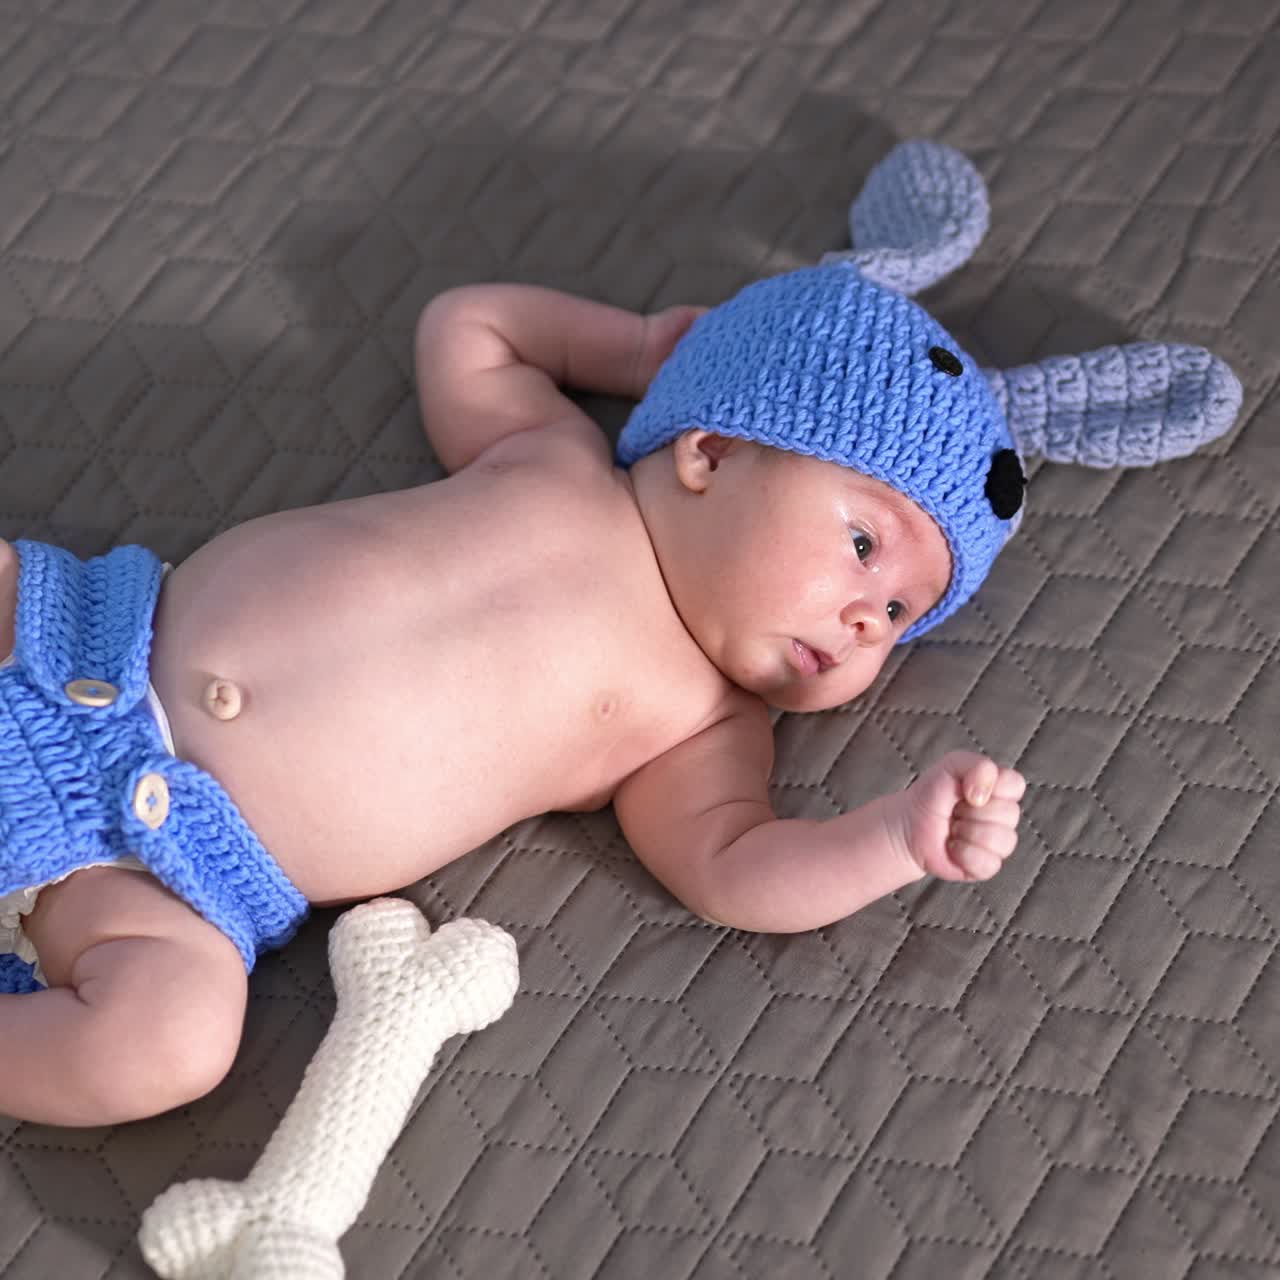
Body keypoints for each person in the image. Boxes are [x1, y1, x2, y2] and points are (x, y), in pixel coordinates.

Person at [0, 141, 1238, 1127]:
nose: (872, 614)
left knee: (168, 1043)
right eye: (865, 543)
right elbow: (467, 325)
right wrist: (641, 345)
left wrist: (891, 838)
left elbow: (736, 870)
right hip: (72, 634)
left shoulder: (697, 722)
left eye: (904, 613)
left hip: (155, 886)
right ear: (707, 449)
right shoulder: (551, 454)